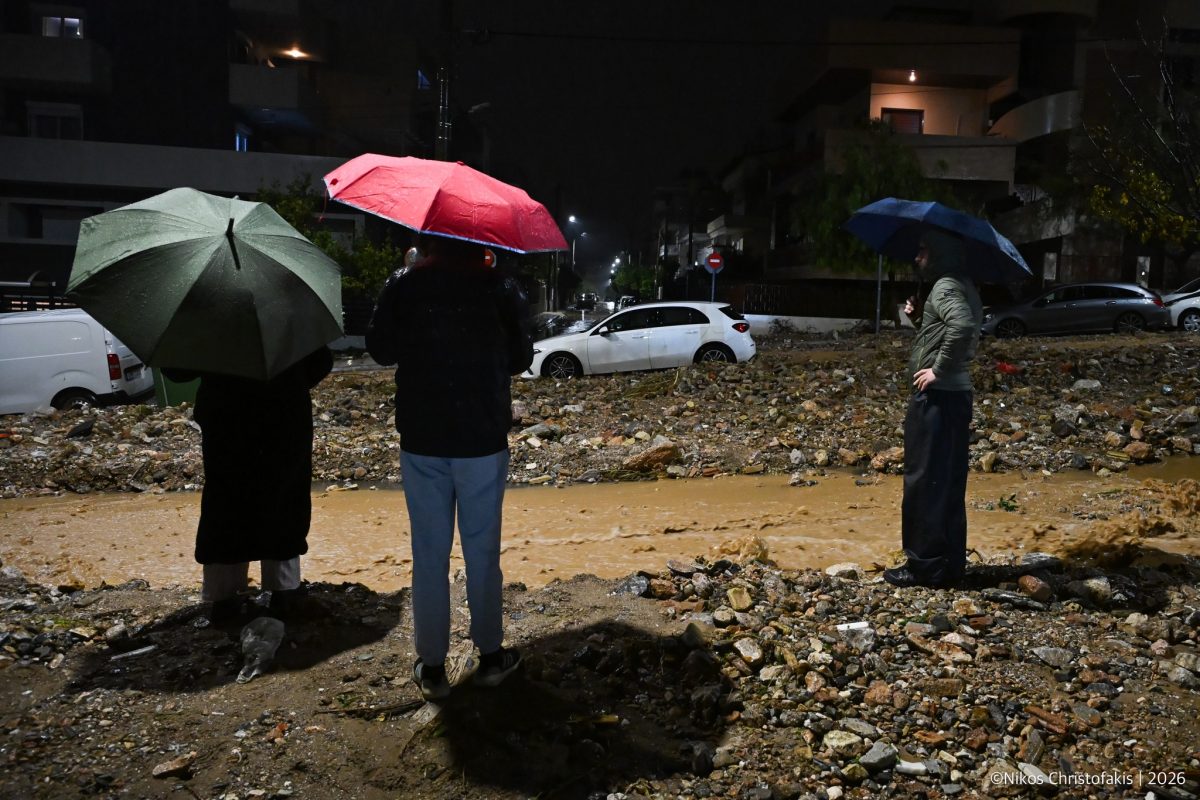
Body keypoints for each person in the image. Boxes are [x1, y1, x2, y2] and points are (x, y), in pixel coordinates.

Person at [366, 233, 533, 701]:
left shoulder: (405, 283)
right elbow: (521, 358)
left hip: (423, 439)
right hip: (482, 439)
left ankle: (433, 667)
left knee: (429, 555)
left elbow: (380, 348)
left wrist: (409, 276)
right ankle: (492, 657)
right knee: (482, 555)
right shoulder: (500, 286)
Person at [164, 346, 332, 619]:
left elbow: (175, 370)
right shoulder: (287, 309)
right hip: (283, 412)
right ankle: (284, 593)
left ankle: (224, 597)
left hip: (225, 418)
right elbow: (320, 361)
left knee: (226, 503)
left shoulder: (207, 316)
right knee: (284, 499)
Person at [884, 230, 983, 589]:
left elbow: (962, 326)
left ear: (940, 253)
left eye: (923, 250)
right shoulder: (962, 285)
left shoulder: (944, 287)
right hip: (956, 398)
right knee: (947, 482)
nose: (917, 257)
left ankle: (923, 567)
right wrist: (918, 318)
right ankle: (949, 565)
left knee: (923, 482)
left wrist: (937, 370)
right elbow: (947, 329)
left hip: (939, 399)